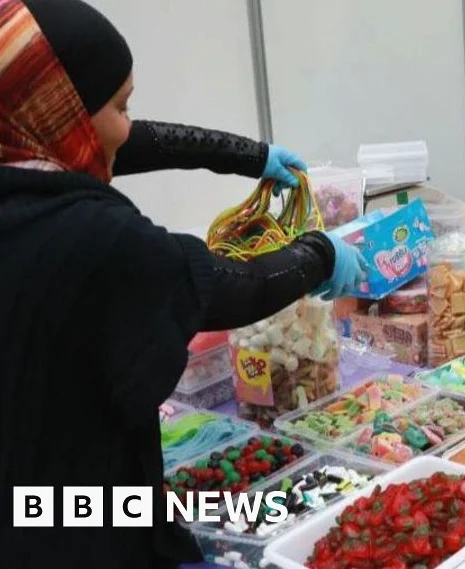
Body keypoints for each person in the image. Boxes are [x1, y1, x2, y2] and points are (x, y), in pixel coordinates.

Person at [0, 1, 364, 567]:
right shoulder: (90, 235)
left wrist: (252, 157)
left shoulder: (19, 153)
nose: (129, 124)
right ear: (57, 115)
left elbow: (126, 140)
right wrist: (319, 254)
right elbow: (224, 285)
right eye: (121, 106)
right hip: (72, 519)